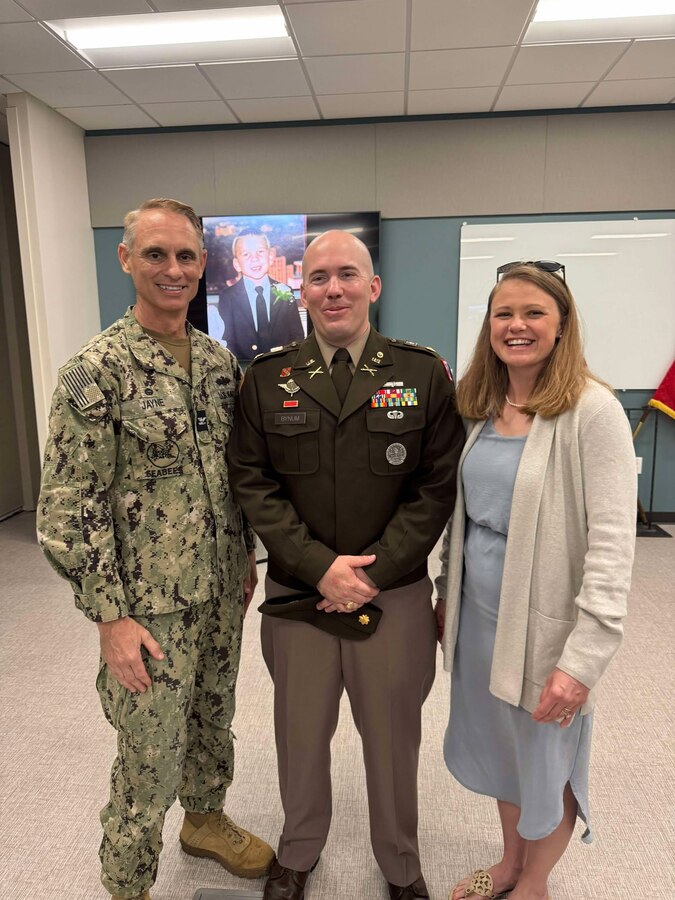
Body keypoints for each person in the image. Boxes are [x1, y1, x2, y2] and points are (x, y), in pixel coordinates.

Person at [36, 198, 274, 900]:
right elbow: (69, 506)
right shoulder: (97, 372)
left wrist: (245, 557)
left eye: (185, 256)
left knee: (212, 718)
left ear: (202, 265)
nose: (173, 269)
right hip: (147, 610)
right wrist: (110, 617)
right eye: (155, 254)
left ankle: (204, 820)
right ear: (126, 259)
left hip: (219, 589)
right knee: (148, 755)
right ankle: (128, 883)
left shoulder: (219, 364)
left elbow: (234, 474)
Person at [228, 230, 464, 900]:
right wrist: (317, 566)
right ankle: (298, 851)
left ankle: (400, 863)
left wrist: (369, 574)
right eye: (320, 277)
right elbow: (252, 482)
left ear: (373, 287)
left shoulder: (421, 373)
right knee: (299, 734)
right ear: (301, 290)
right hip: (299, 596)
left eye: (348, 275)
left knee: (392, 739)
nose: (334, 289)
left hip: (392, 595)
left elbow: (435, 486)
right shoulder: (266, 378)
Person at [435, 261, 637, 900]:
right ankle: (509, 863)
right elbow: (462, 517)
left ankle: (535, 883)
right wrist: (445, 595)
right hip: (479, 619)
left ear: (562, 325)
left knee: (546, 758)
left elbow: (613, 547)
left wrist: (582, 662)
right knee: (505, 752)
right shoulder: (480, 406)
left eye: (533, 313)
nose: (516, 325)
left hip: (548, 627)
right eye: (504, 314)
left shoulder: (593, 411)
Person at [215, 230, 304, 359]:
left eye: (260, 251)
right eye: (246, 254)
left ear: (271, 256)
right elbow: (227, 340)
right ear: (237, 264)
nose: (254, 258)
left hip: (283, 366)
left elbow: (297, 336)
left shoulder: (285, 291)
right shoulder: (227, 297)